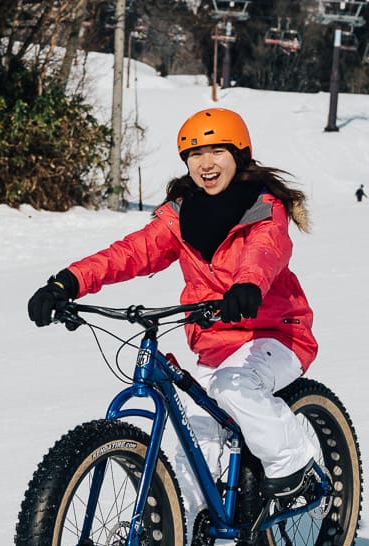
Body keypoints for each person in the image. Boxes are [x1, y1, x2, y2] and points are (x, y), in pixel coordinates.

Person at [27, 107, 320, 513]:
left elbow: (264, 253)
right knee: (193, 452)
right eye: (195, 154)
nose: (206, 163)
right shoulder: (181, 215)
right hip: (215, 345)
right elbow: (130, 253)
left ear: (240, 155)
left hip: (274, 333)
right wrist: (68, 281)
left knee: (235, 389)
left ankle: (294, 466)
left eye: (218, 151)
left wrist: (248, 285)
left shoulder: (263, 209)